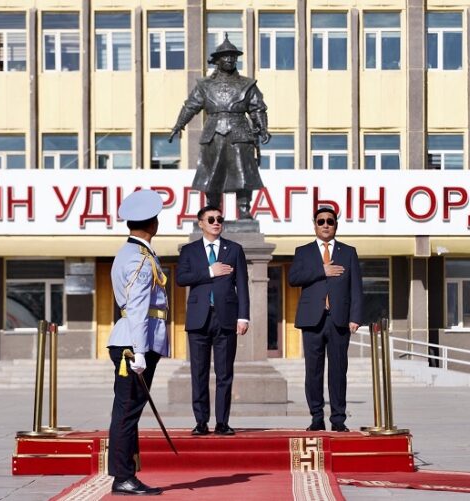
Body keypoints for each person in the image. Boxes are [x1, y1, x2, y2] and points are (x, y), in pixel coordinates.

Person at [107, 189, 168, 496]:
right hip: (134, 344)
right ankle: (123, 477)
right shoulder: (140, 259)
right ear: (153, 224)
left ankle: (125, 473)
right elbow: (139, 307)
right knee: (127, 411)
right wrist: (141, 351)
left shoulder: (130, 252)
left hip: (130, 341)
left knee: (127, 409)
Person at [169, 35, 270, 220]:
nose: (230, 59)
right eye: (225, 56)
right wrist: (178, 125)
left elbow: (257, 108)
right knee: (212, 172)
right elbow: (191, 106)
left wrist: (263, 128)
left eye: (233, 56)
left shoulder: (247, 84)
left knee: (243, 172)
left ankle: (244, 208)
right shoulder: (205, 85)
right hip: (213, 133)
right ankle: (212, 208)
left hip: (240, 131)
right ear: (217, 60)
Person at [288, 207, 364, 432]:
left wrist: (355, 317)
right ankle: (316, 417)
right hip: (312, 320)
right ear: (315, 225)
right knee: (313, 371)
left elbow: (356, 288)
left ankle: (338, 419)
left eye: (330, 221)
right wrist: (322, 271)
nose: (325, 225)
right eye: (321, 221)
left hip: (339, 320)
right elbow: (294, 278)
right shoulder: (303, 252)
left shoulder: (348, 252)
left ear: (335, 225)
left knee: (338, 371)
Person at [176, 205, 250, 436]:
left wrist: (243, 317)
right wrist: (210, 271)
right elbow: (181, 278)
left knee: (224, 373)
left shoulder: (234, 249)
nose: (216, 222)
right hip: (199, 318)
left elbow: (242, 285)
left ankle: (222, 422)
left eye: (219, 219)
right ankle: (201, 422)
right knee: (198, 373)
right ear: (201, 223)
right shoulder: (189, 250)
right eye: (211, 219)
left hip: (226, 318)